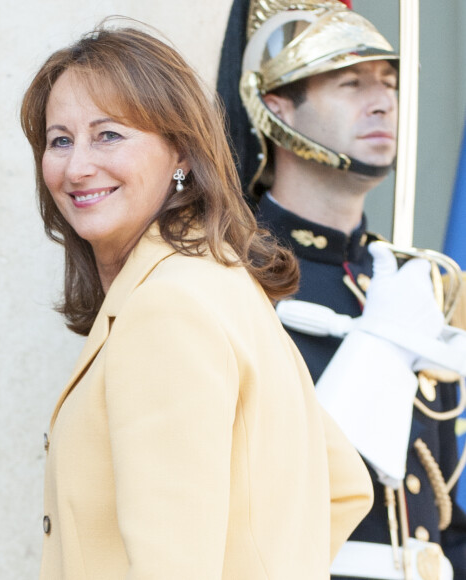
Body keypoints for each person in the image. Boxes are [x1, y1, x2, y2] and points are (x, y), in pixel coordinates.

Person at [20, 22, 374, 580]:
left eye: (108, 134)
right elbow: (345, 485)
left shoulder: (166, 310)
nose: (77, 165)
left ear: (181, 150)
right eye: (59, 139)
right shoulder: (220, 283)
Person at [217, 0, 466, 579]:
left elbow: (443, 512)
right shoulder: (231, 275)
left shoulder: (407, 281)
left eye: (391, 83)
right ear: (276, 106)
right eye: (351, 82)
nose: (383, 101)